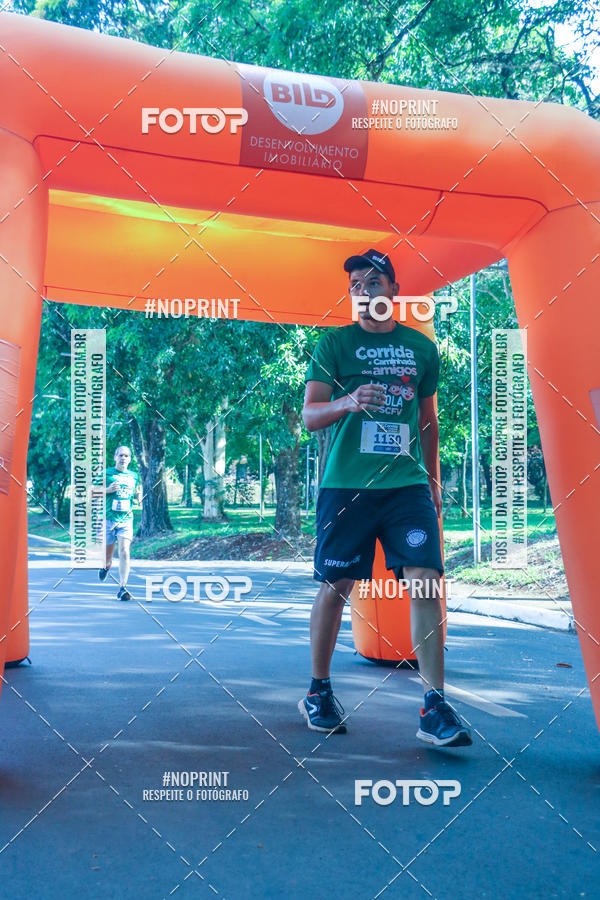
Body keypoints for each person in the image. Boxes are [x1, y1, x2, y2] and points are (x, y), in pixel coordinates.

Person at [299, 249, 472, 748]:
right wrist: (349, 401)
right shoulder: (333, 344)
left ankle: (434, 706)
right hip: (347, 486)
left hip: (406, 486)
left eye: (373, 282)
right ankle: (319, 690)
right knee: (338, 585)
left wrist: (435, 481)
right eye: (355, 285)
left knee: (426, 582)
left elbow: (428, 420)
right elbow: (310, 416)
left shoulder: (421, 348)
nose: (363, 292)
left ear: (394, 291)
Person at [94, 446, 140, 602]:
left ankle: (123, 587)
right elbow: (92, 492)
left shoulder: (134, 476)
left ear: (130, 459)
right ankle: (106, 566)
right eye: (120, 455)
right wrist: (106, 490)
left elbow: (134, 496)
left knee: (124, 551)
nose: (123, 458)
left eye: (127, 456)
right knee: (108, 556)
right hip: (108, 520)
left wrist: (137, 497)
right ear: (115, 457)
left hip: (126, 520)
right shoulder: (107, 473)